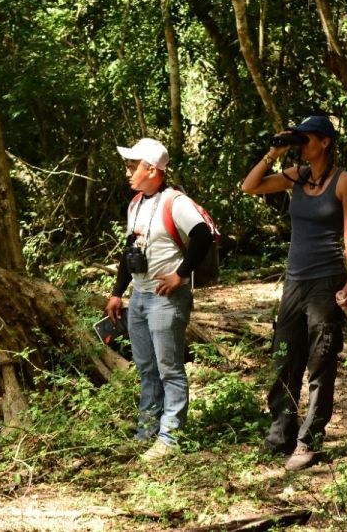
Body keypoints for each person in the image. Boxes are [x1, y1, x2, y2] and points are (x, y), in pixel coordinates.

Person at [241, 115, 347, 471]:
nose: (301, 145)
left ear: (324, 142)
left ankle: (310, 441)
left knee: (320, 358)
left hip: (327, 279)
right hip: (295, 280)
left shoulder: (344, 181)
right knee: (284, 355)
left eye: (305, 138)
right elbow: (251, 186)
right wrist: (274, 152)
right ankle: (281, 433)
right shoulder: (296, 175)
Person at [105, 138, 214, 462]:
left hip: (167, 298)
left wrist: (181, 274)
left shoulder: (175, 201)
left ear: (151, 169)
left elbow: (202, 235)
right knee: (147, 369)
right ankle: (146, 433)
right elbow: (129, 251)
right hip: (139, 297)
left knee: (169, 369)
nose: (127, 172)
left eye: (132, 166)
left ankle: (169, 438)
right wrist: (116, 293)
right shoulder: (136, 203)